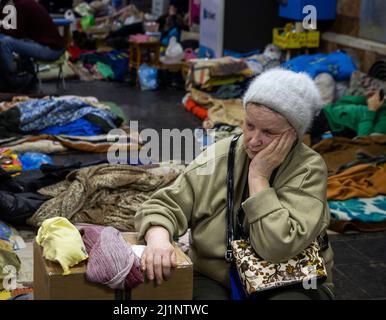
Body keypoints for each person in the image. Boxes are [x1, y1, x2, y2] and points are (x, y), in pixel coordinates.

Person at [135, 69, 335, 300]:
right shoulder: (220, 156)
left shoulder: (308, 169)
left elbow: (277, 247)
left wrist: (258, 177)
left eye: (269, 132)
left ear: (294, 135)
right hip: (217, 276)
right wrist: (158, 238)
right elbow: (164, 205)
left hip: (294, 278)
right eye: (249, 125)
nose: (254, 140)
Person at [0, 0, 66, 75]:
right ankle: (27, 74)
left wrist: (3, 23)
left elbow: (16, 34)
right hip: (55, 48)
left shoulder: (21, 6)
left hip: (50, 51)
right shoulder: (28, 3)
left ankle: (9, 79)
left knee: (6, 42)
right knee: (21, 41)